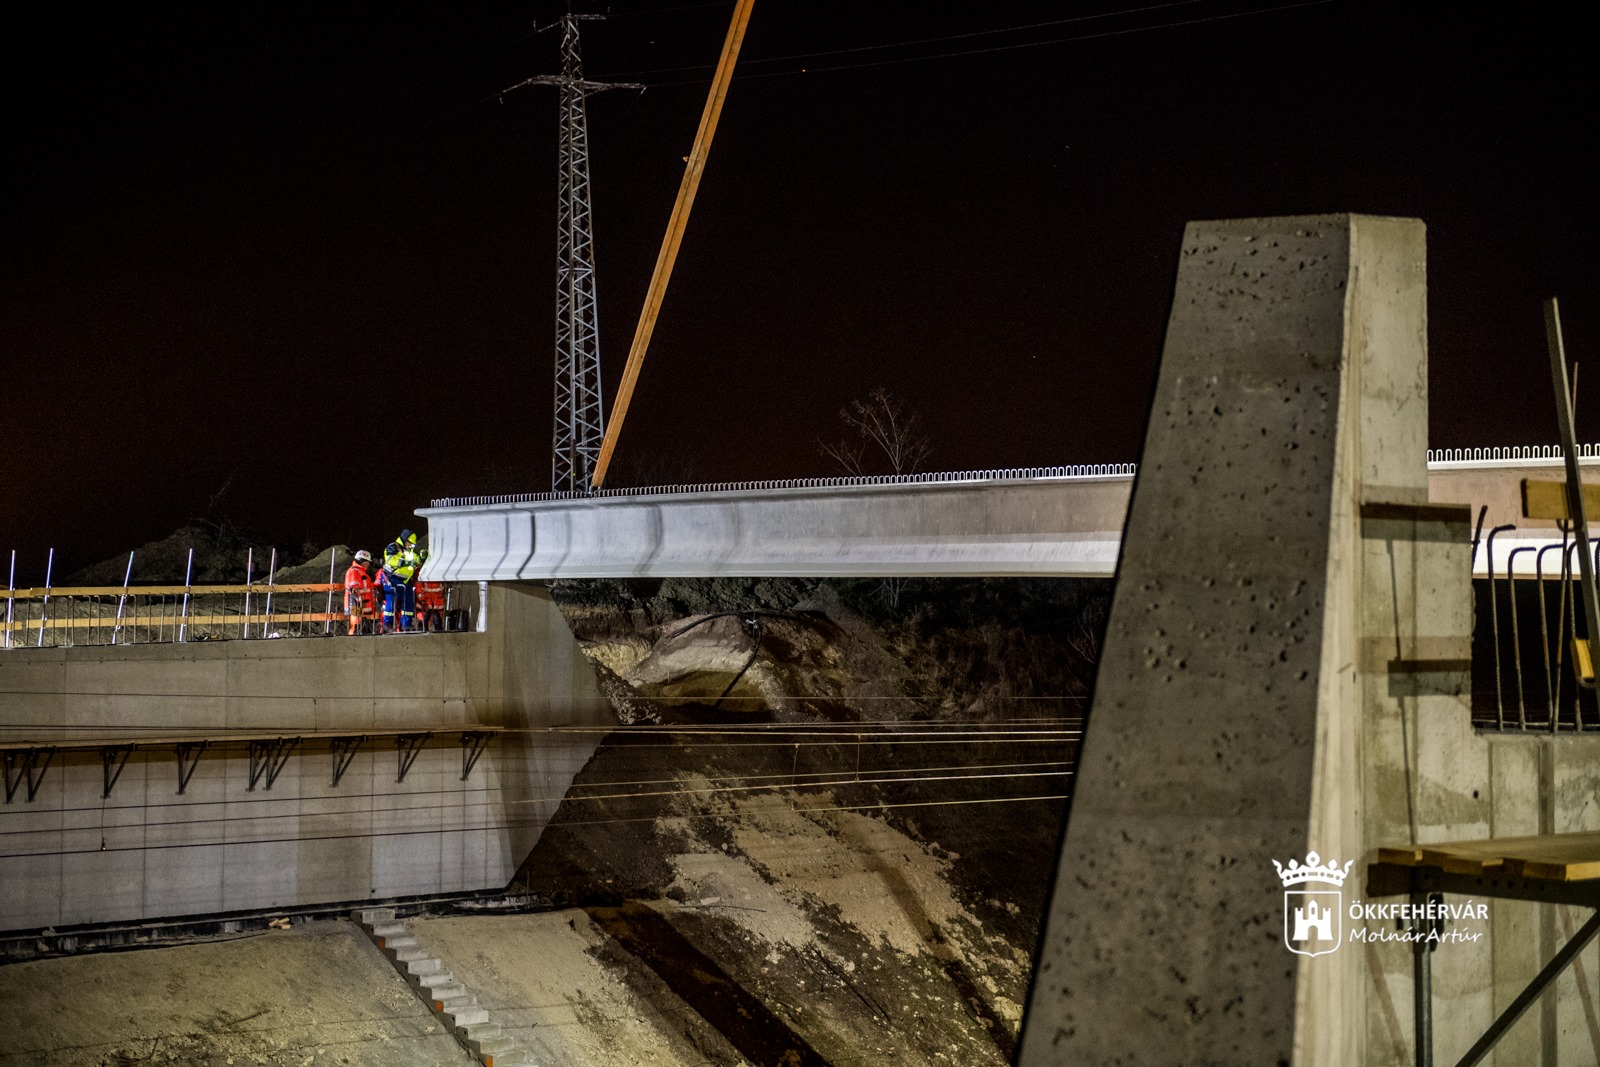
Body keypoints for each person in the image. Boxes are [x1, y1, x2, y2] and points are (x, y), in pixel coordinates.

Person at [382, 531, 423, 631]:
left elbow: (416, 559)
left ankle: (407, 625)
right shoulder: (393, 547)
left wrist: (422, 558)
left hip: (406, 581)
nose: (411, 546)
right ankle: (387, 624)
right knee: (391, 604)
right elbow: (391, 560)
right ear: (404, 540)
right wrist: (406, 563)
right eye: (410, 543)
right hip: (392, 579)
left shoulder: (409, 551)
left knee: (408, 604)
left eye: (413, 544)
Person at [343, 550, 378, 636]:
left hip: (360, 603)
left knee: (361, 626)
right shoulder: (355, 571)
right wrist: (359, 599)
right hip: (356, 603)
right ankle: (353, 642)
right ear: (362, 561)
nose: (368, 564)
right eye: (367, 562)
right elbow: (354, 588)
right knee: (356, 626)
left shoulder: (359, 571)